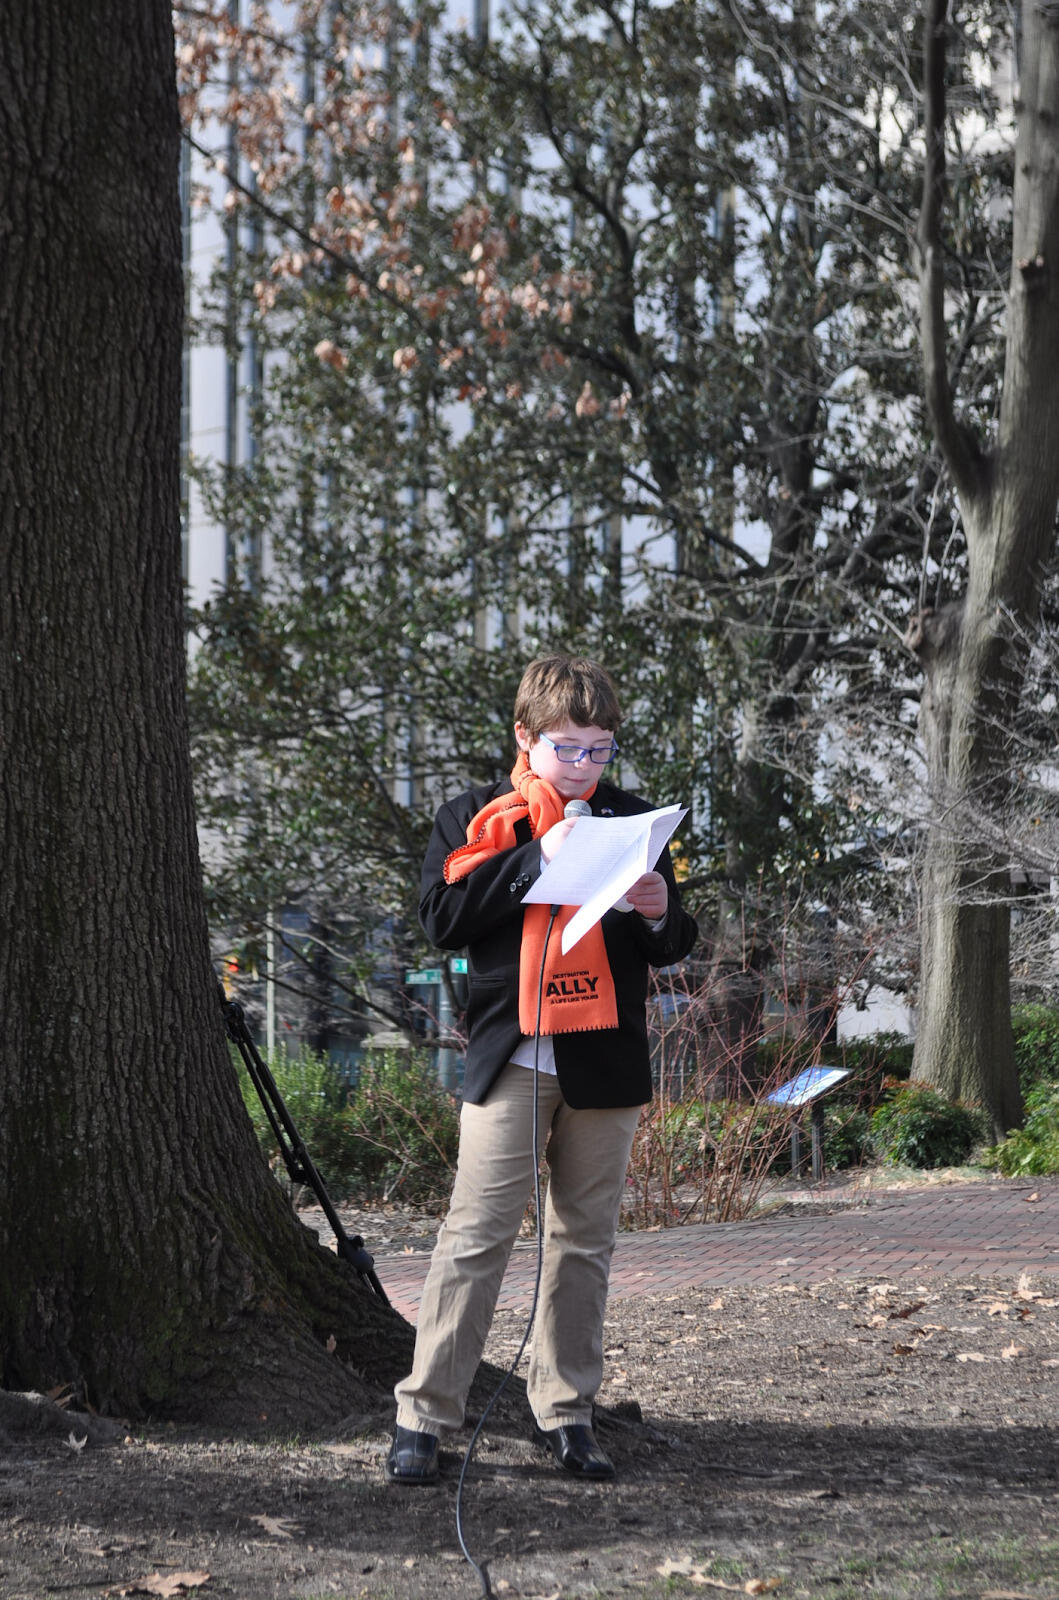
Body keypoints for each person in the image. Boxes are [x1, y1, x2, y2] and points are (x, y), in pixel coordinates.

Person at [386, 653, 698, 1485]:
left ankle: (566, 1414)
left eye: (600, 749)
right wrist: (533, 861)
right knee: (474, 1236)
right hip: (510, 1056)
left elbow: (671, 946)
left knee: (583, 1243)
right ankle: (424, 1416)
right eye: (570, 749)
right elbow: (443, 921)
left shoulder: (631, 820)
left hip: (603, 1061)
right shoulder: (475, 819)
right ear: (524, 738)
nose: (588, 767)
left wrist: (661, 912)